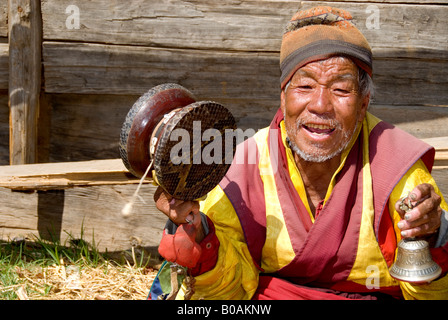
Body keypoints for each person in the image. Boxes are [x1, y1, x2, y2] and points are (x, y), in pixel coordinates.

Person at [151, 6, 448, 300]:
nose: (320, 105)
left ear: (363, 105)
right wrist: (199, 235)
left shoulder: (396, 170)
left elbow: (430, 295)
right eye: (305, 85)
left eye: (341, 90)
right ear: (283, 96)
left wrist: (433, 238)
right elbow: (228, 293)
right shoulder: (244, 171)